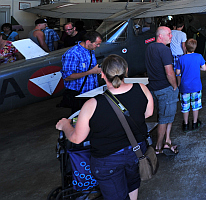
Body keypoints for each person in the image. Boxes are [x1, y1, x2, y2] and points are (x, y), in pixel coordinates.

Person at [55, 55, 154, 200]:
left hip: (108, 160)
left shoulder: (92, 104)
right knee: (132, 182)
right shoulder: (142, 88)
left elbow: (77, 138)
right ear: (126, 70)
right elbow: (148, 113)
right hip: (137, 150)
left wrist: (65, 125)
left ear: (102, 74)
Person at [145, 26, 179, 155]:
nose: (171, 36)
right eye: (169, 34)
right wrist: (175, 86)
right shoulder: (165, 50)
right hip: (165, 88)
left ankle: (167, 141)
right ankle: (158, 147)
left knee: (166, 115)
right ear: (160, 36)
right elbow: (169, 72)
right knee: (164, 119)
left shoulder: (149, 48)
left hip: (153, 87)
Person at [61, 31, 103, 112]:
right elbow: (67, 77)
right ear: (88, 42)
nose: (98, 46)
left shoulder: (90, 50)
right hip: (79, 95)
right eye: (96, 44)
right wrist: (91, 72)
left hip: (91, 92)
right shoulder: (73, 53)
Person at [175, 38, 206, 132]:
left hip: (184, 87)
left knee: (185, 106)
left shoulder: (181, 58)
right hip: (196, 86)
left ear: (185, 47)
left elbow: (177, 72)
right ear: (195, 47)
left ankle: (185, 124)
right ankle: (195, 123)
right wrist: (197, 68)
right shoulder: (199, 56)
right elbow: (204, 68)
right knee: (196, 105)